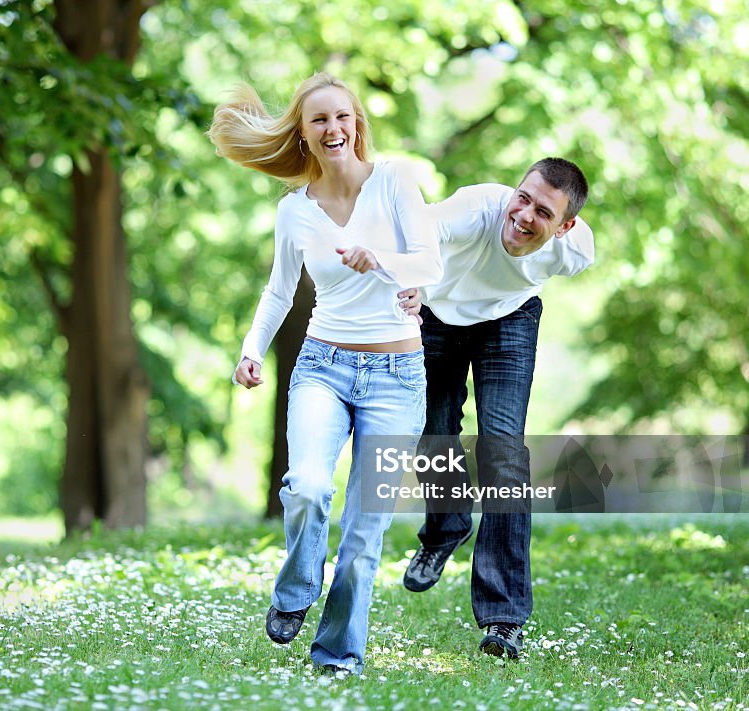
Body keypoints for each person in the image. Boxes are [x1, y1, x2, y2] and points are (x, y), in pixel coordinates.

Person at [206, 72, 443, 674]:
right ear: (304, 135)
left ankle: (338, 655)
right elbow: (279, 289)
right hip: (323, 367)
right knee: (308, 484)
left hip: (396, 375)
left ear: (357, 124)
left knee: (364, 536)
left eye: (342, 117)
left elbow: (431, 262)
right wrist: (251, 349)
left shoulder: (393, 182)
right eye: (319, 120)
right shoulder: (294, 213)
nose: (333, 128)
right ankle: (296, 587)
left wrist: (384, 262)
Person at [397, 158, 593, 659]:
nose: (524, 215)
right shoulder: (475, 208)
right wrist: (412, 281)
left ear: (565, 226)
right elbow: (419, 232)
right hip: (438, 312)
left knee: (504, 453)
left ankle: (504, 618)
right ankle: (445, 529)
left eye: (543, 212)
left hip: (509, 320)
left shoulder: (575, 250)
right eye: (522, 197)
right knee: (434, 430)